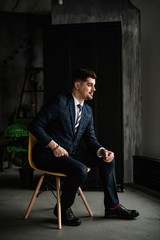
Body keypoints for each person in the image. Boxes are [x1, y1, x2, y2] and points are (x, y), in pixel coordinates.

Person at [28, 68, 139, 226]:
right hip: (48, 154)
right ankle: (63, 208)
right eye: (90, 85)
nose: (94, 89)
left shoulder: (87, 111)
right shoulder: (60, 102)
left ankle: (112, 206)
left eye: (94, 85)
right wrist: (54, 146)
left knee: (107, 160)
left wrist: (102, 151)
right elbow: (35, 125)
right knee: (80, 170)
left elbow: (90, 139)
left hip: (70, 153)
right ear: (77, 85)